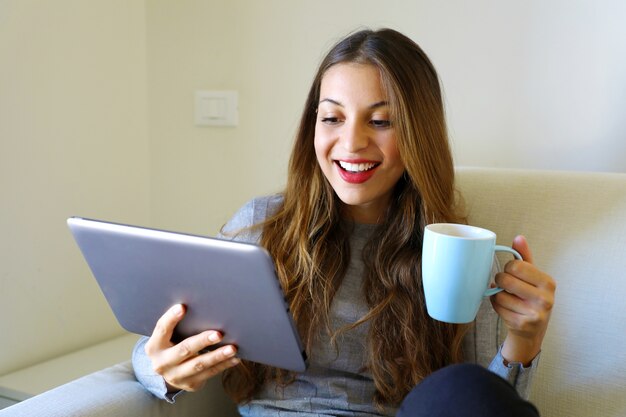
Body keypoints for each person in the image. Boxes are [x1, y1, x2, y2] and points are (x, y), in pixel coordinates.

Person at [132, 28, 556, 416]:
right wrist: (163, 371)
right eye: (332, 117)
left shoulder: (454, 249)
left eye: (380, 121)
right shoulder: (264, 227)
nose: (352, 142)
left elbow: (484, 401)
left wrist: (525, 340)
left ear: (417, 134)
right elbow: (157, 342)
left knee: (463, 388)